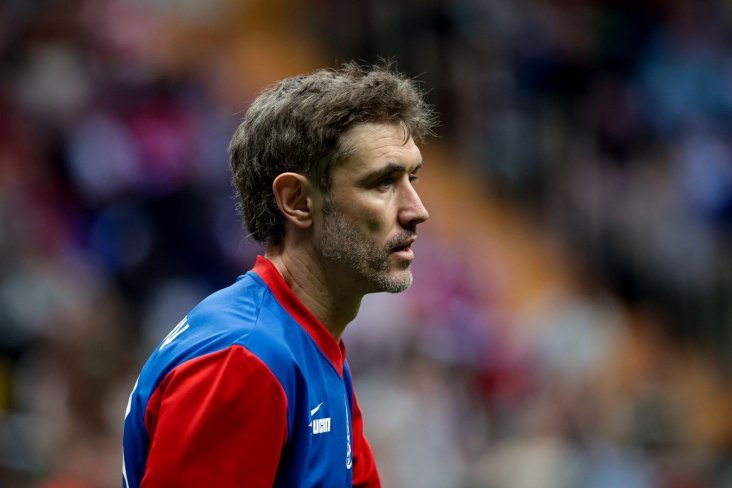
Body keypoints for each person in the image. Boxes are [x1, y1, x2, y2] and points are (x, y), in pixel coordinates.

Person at [121, 62, 436, 487]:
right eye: (383, 183)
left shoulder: (311, 344)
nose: (417, 210)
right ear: (297, 200)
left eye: (412, 178)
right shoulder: (243, 360)